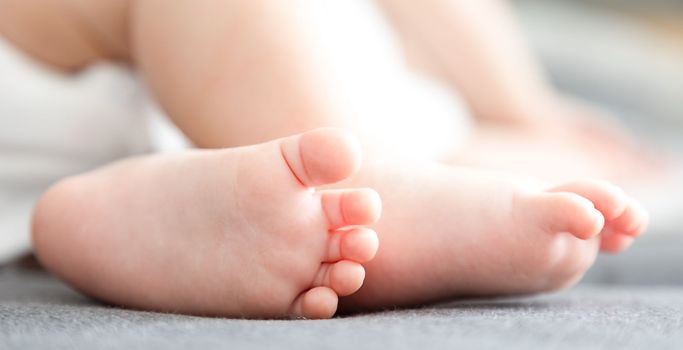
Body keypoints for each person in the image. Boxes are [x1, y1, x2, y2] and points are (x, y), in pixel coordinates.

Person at [0, 0, 649, 319]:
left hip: (46, 148)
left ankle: (110, 216)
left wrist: (519, 144)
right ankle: (375, 194)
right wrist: (526, 107)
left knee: (414, 155)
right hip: (65, 51)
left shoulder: (408, 102)